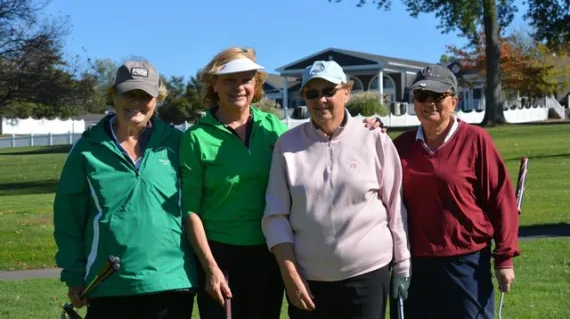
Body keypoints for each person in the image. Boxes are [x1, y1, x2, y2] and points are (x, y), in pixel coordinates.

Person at [262, 60, 411, 319]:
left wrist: (402, 265)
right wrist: (290, 273)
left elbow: (394, 206)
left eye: (329, 91)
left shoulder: (375, 139)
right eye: (312, 93)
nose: (321, 100)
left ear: (346, 92)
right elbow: (276, 216)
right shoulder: (287, 146)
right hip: (309, 281)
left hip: (368, 275)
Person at [54, 60, 198, 319]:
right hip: (108, 281)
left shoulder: (178, 144)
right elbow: (68, 218)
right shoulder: (87, 148)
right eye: (128, 93)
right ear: (113, 95)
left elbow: (196, 209)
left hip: (171, 281)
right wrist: (74, 276)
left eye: (144, 95)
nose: (136, 102)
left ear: (157, 99)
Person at [392, 64, 520, 319]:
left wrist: (504, 257)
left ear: (453, 100)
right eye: (421, 96)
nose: (428, 103)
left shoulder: (475, 140)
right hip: (415, 264)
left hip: (466, 263)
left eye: (437, 96)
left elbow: (501, 200)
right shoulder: (401, 146)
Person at [179, 47, 287, 319]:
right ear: (213, 84)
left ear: (256, 84)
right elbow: (190, 211)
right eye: (229, 79)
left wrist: (365, 128)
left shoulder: (272, 126)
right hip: (220, 255)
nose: (239, 87)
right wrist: (211, 268)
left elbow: (311, 150)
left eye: (246, 78)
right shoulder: (196, 138)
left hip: (267, 252)